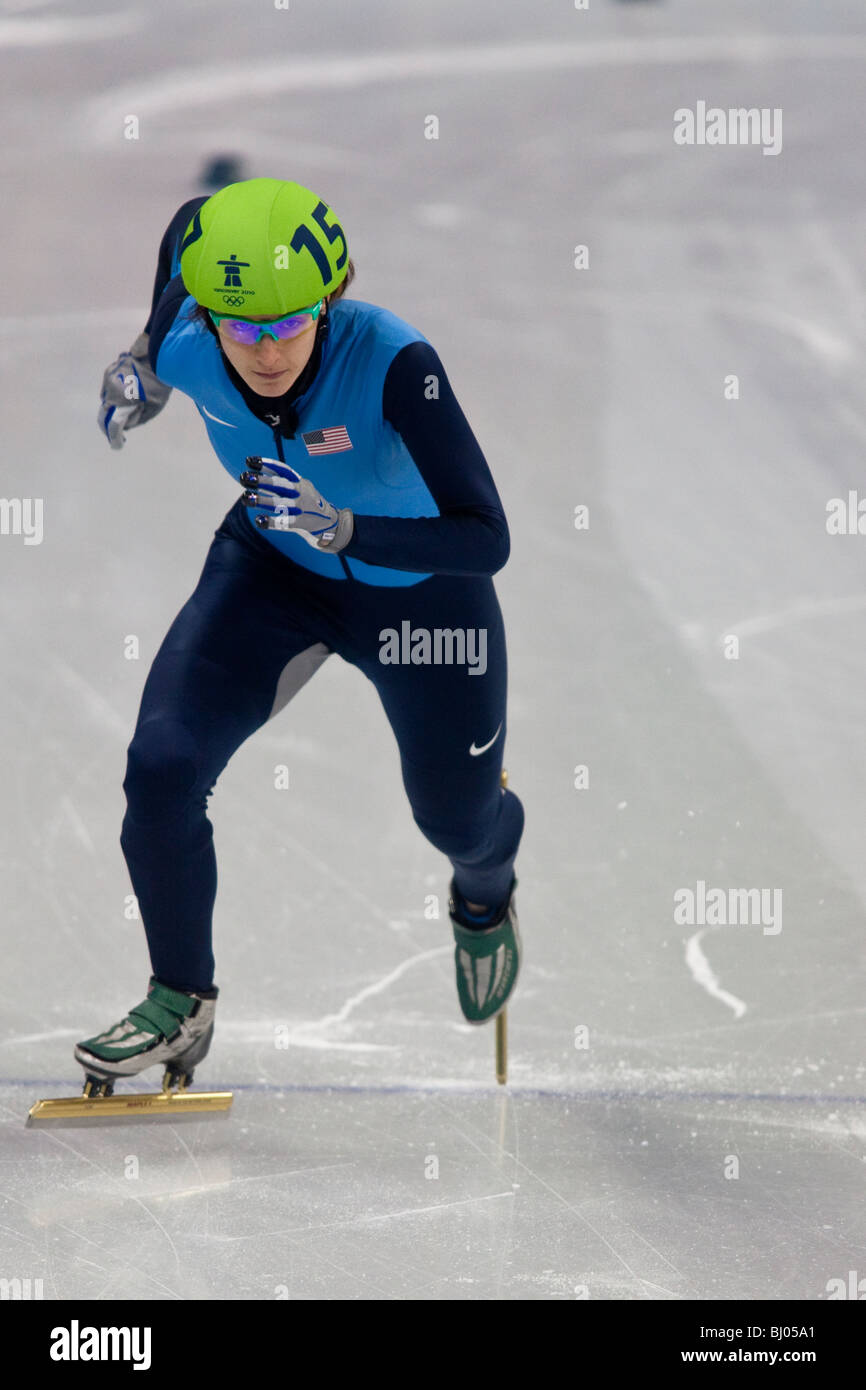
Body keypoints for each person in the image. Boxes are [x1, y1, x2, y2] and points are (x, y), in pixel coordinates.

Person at [75, 177, 524, 1092]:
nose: (267, 349)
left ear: (333, 298)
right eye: (242, 327)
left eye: (290, 323)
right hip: (272, 575)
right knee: (161, 768)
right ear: (209, 314)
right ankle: (179, 1002)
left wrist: (346, 528)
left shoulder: (397, 363)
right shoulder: (190, 338)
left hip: (425, 599)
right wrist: (141, 366)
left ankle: (486, 894)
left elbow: (489, 537)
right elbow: (186, 231)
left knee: (457, 819)